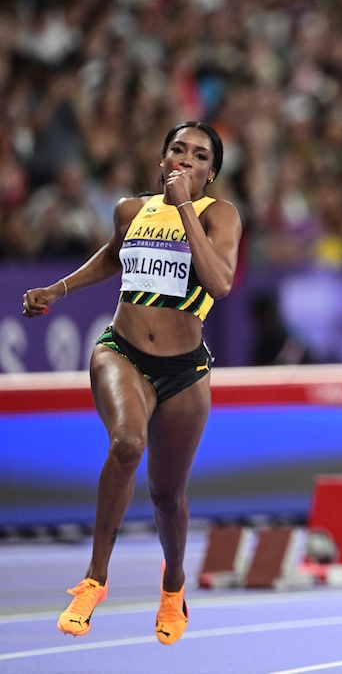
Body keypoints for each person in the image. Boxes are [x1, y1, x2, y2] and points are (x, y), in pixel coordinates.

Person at [22, 122, 242, 644]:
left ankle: (172, 585)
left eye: (199, 156)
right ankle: (94, 580)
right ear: (162, 157)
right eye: (177, 150)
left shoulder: (221, 215)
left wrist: (186, 207)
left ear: (211, 172)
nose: (184, 160)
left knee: (168, 495)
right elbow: (114, 253)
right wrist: (59, 288)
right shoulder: (129, 209)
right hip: (121, 352)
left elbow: (221, 282)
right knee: (126, 443)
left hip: (185, 369)